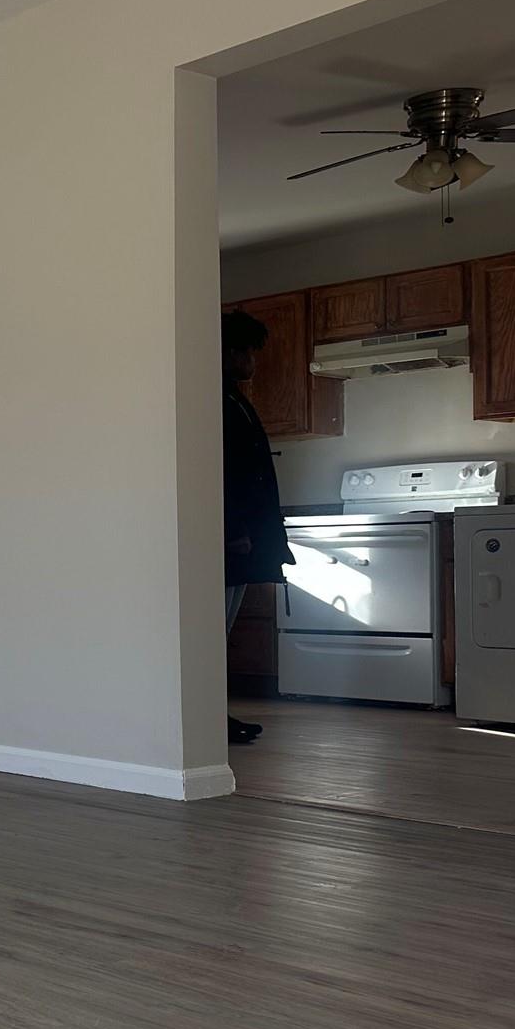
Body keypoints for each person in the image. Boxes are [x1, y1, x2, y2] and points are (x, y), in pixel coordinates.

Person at [222, 310, 293, 746]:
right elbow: (223, 470)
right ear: (227, 352)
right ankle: (209, 715)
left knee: (220, 629)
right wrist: (232, 528)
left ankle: (213, 713)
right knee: (213, 628)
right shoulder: (215, 400)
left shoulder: (232, 398)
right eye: (247, 351)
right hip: (232, 535)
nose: (253, 361)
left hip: (244, 532)